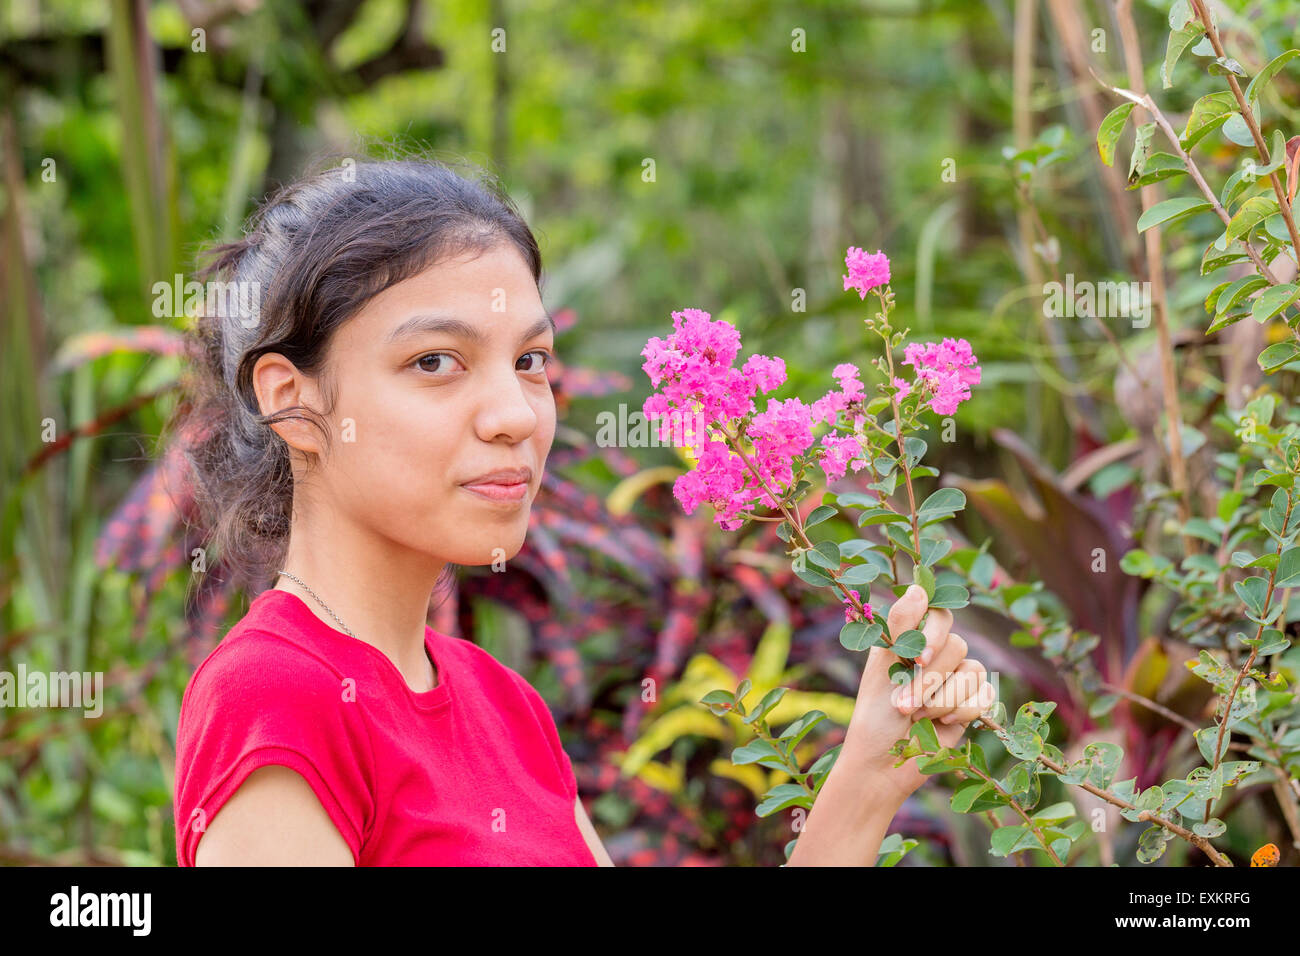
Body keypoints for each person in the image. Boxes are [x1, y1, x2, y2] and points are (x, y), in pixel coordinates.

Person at [171, 155, 995, 866]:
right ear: (291, 400)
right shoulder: (275, 698)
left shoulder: (504, 707)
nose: (518, 414)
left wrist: (871, 774)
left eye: (530, 360)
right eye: (435, 361)